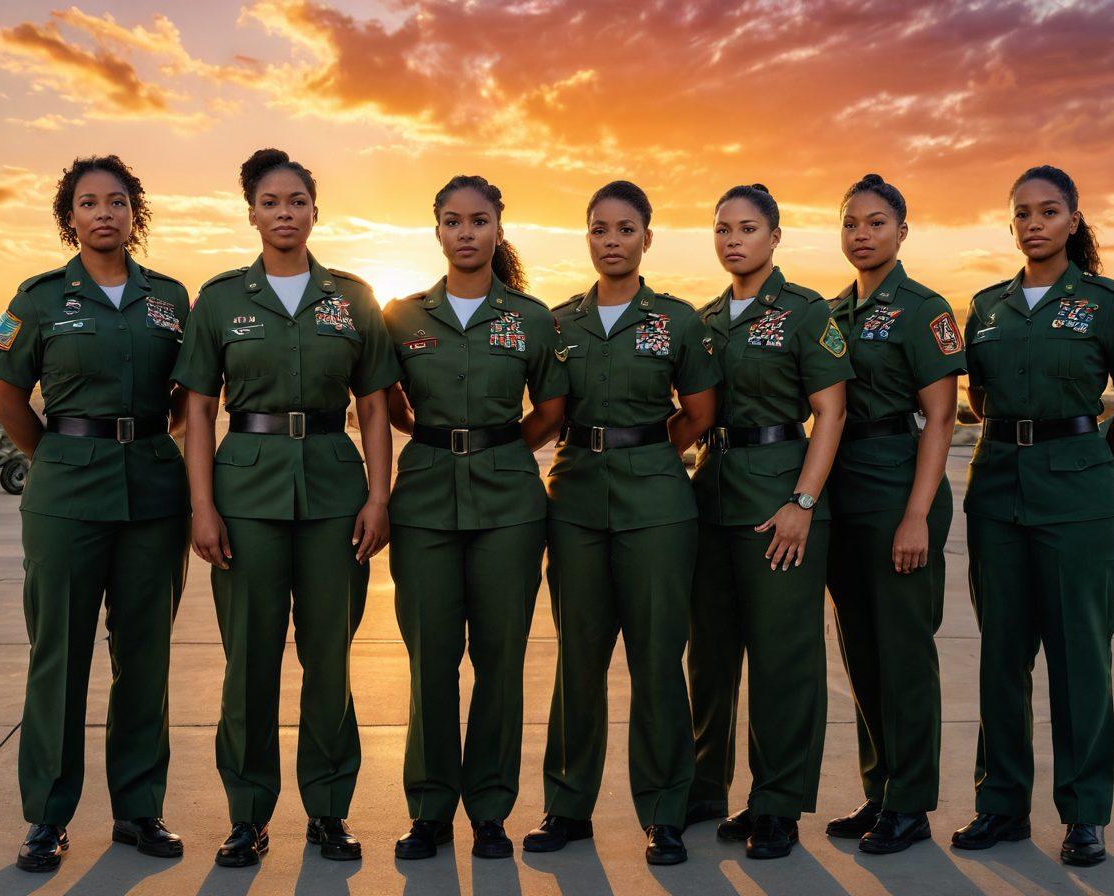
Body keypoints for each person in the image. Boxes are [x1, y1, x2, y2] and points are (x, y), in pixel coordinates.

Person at [172, 148, 399, 867]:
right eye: (271, 202)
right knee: (250, 663)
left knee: (328, 659)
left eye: (297, 201)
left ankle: (328, 812)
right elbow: (201, 412)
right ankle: (247, 814)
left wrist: (378, 496)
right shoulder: (221, 299)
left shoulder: (353, 298)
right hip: (246, 495)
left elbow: (373, 407)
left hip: (335, 492)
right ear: (251, 213)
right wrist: (201, 508)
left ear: (314, 210)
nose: (285, 214)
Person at [0, 155, 190, 872]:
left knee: (144, 658)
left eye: (116, 202)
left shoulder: (170, 298)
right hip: (66, 493)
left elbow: (186, 398)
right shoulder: (40, 298)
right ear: (68, 217)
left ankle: (140, 809)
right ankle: (47, 817)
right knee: (60, 657)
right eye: (87, 203)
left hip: (153, 493)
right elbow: (8, 393)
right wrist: (53, 455)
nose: (103, 213)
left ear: (135, 215)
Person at [953, 165, 1114, 867]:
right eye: (1023, 213)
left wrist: (1090, 467)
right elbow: (976, 402)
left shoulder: (1105, 301)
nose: (1035, 223)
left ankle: (1084, 813)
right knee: (1002, 658)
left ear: (1072, 219)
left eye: (1049, 211)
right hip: (998, 492)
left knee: (1079, 660)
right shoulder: (988, 307)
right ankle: (1000, 804)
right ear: (1011, 224)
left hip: (1079, 501)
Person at [523, 180, 719, 866]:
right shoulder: (558, 323)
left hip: (658, 505)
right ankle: (567, 806)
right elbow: (546, 413)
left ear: (646, 238)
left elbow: (698, 413)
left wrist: (645, 460)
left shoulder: (678, 321)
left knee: (657, 659)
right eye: (601, 229)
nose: (613, 240)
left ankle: (664, 812)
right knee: (578, 659)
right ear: (587, 237)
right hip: (575, 498)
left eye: (626, 229)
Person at [382, 175, 567, 861]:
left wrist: (493, 449)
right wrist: (434, 439)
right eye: (453, 221)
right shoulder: (401, 316)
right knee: (431, 659)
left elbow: (550, 409)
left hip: (510, 507)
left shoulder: (532, 317)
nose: (466, 232)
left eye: (479, 220)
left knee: (499, 661)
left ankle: (489, 809)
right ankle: (430, 809)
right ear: (436, 230)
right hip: (425, 500)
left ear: (498, 229)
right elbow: (387, 403)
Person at [685, 183, 850, 860]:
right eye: (723, 228)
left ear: (775, 237)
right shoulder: (704, 320)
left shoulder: (806, 312)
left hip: (780, 499)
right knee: (713, 655)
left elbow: (831, 412)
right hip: (713, 497)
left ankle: (778, 804)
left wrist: (803, 503)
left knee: (783, 659)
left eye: (747, 228)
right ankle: (705, 787)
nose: (733, 240)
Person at [823, 174, 964, 853]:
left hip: (897, 484)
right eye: (851, 223)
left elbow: (940, 418)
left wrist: (916, 517)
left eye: (876, 223)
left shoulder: (922, 307)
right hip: (843, 488)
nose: (862, 234)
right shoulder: (829, 312)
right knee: (861, 650)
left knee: (904, 651)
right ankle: (880, 791)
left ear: (902, 231)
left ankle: (911, 805)